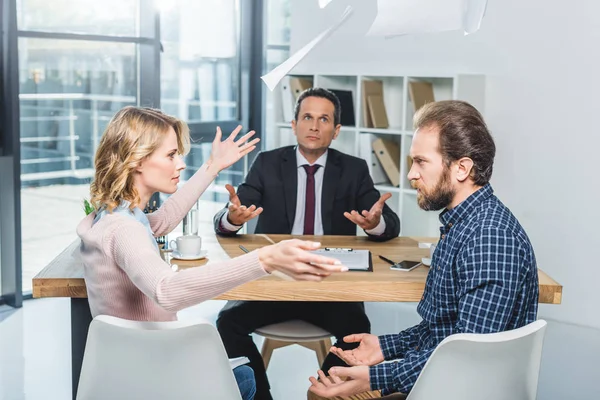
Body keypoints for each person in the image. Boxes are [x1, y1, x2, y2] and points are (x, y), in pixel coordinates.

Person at [76, 106, 347, 400]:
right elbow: (166, 291)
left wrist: (212, 167)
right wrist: (264, 259)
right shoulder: (124, 230)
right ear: (136, 159)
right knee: (244, 377)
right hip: (155, 375)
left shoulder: (113, 216)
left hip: (130, 368)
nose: (180, 164)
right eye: (171, 155)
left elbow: (164, 220)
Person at [308, 100, 540, 399]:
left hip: (459, 389)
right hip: (444, 380)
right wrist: (384, 346)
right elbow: (443, 331)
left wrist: (375, 378)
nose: (410, 175)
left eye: (421, 162)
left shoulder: (489, 237)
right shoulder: (463, 224)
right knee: (334, 367)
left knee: (324, 393)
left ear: (461, 168)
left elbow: (464, 357)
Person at [212, 88, 401, 400]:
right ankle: (260, 396)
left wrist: (374, 223)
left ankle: (324, 393)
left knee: (358, 329)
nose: (314, 125)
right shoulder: (268, 163)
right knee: (226, 322)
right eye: (307, 117)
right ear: (294, 124)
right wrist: (233, 218)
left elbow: (389, 224)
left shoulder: (353, 169)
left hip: (329, 286)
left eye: (324, 119)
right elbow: (228, 217)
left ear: (336, 130)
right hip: (275, 284)